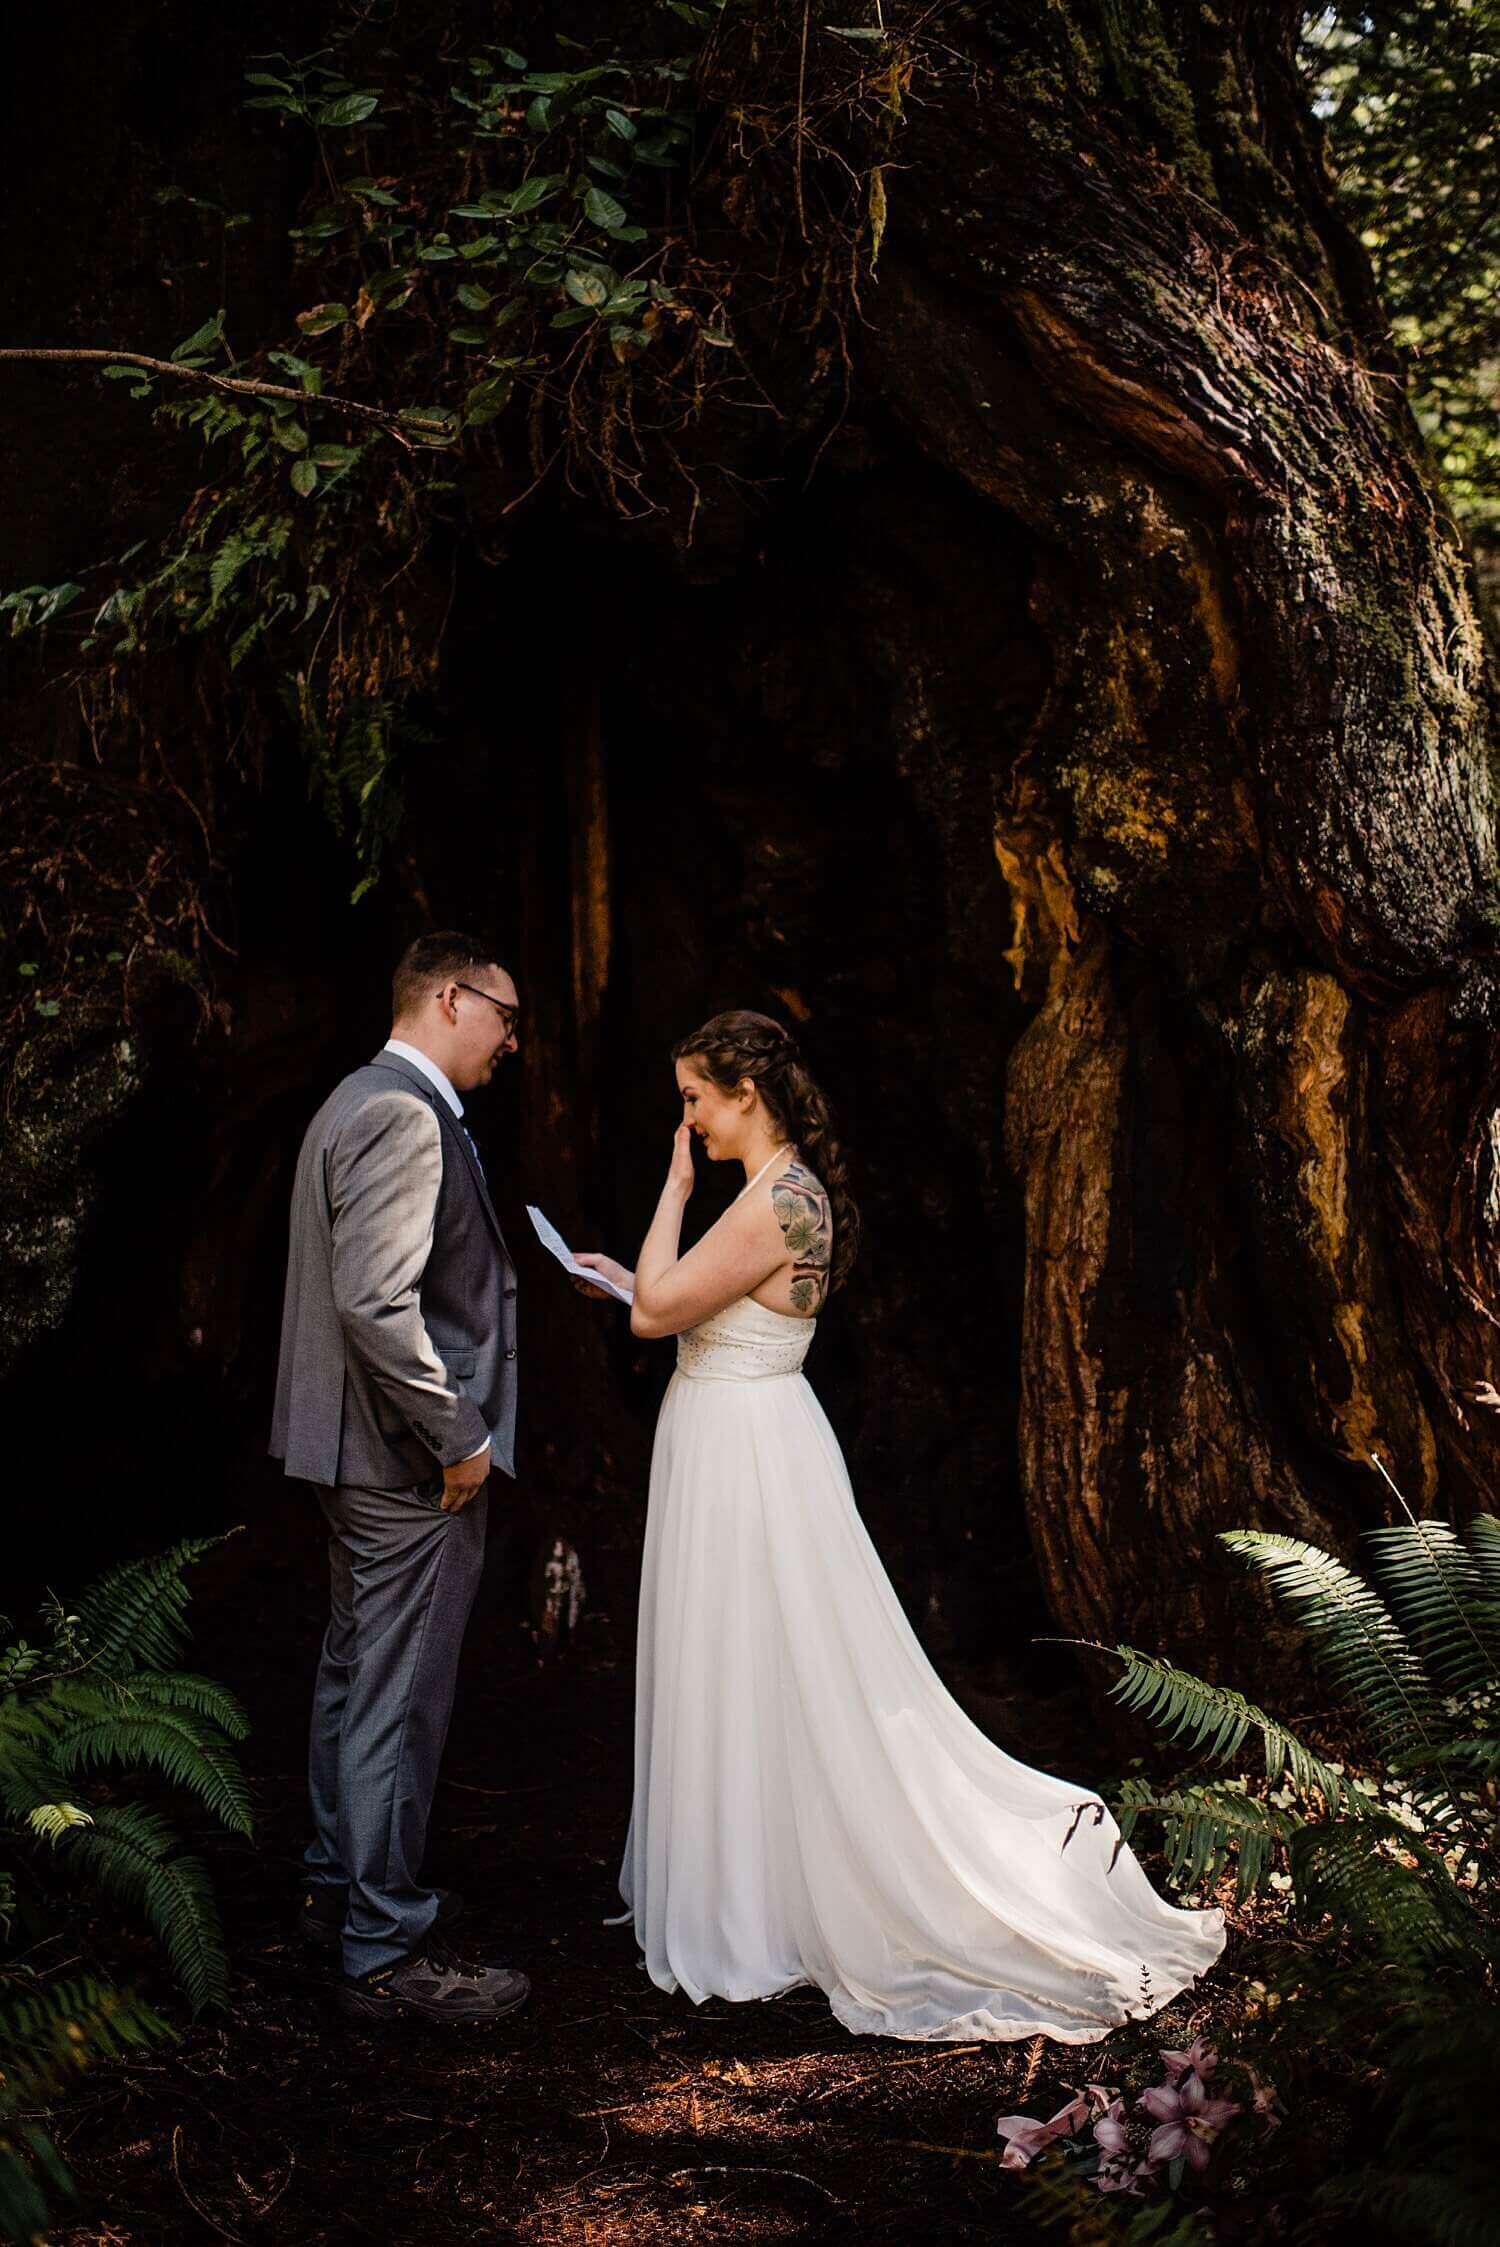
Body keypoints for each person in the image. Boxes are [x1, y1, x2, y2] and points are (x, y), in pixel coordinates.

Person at [573, 1009, 1226, 2043]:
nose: (687, 1118)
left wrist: (671, 1195)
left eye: (697, 1096)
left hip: (746, 1451)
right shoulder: (778, 1196)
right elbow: (675, 1301)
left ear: (747, 1095)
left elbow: (656, 1314)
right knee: (749, 1666)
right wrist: (644, 1273)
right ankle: (751, 1879)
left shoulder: (769, 1199)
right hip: (737, 1439)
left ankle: (761, 1902)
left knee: (767, 1662)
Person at [270, 931, 531, 2026]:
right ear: (449, 997)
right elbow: (377, 1306)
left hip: (351, 1455)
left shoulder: (351, 1097)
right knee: (396, 1698)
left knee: (352, 1676)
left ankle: (341, 1893)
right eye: (506, 1018)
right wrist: (460, 1436)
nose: (514, 1042)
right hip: (405, 1464)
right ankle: (385, 1954)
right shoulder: (400, 1113)